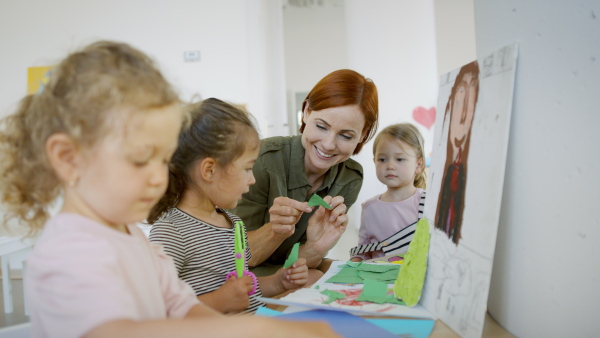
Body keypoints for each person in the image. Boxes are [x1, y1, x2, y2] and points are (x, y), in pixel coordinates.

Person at [0, 41, 338, 338]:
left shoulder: (130, 236)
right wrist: (257, 328)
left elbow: (180, 306)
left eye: (163, 160)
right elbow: (113, 332)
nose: (158, 178)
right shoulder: (69, 251)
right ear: (68, 158)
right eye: (139, 159)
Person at [147, 98, 309, 314]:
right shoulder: (171, 232)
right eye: (247, 168)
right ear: (209, 170)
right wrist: (218, 301)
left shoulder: (233, 223)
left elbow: (243, 290)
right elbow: (157, 311)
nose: (252, 179)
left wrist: (279, 282)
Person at [232, 69, 379, 279]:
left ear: (363, 135)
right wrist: (275, 230)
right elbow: (240, 259)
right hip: (241, 274)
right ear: (307, 112)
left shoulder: (350, 178)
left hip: (289, 271)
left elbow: (298, 264)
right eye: (321, 126)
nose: (328, 145)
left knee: (346, 276)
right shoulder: (261, 161)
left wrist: (316, 249)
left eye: (346, 136)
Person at [349, 123, 427, 262]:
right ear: (374, 162)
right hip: (379, 279)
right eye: (382, 159)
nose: (390, 166)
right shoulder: (369, 208)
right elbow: (363, 252)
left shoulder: (428, 202)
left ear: (418, 165)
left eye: (399, 159)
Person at [435, 61, 480, 245]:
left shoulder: (474, 177)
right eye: (461, 94)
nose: (463, 115)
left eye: (472, 97)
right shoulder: (443, 175)